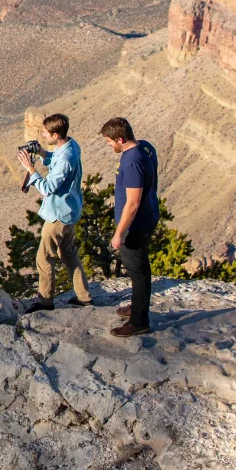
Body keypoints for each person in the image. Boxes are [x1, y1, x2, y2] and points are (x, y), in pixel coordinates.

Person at [17, 113, 93, 312]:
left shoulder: (66, 157)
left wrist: (30, 169)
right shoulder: (70, 145)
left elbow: (47, 188)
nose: (42, 135)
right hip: (71, 211)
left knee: (44, 258)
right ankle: (84, 297)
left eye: (45, 133)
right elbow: (55, 161)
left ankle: (45, 302)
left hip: (58, 216)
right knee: (68, 255)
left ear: (56, 134)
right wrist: (42, 152)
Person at [102, 116, 157, 337]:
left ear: (120, 139)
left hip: (135, 226)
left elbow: (133, 203)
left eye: (109, 141)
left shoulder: (132, 161)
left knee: (137, 271)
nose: (108, 145)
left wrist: (119, 233)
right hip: (148, 215)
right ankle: (136, 308)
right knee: (138, 269)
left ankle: (139, 321)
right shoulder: (145, 147)